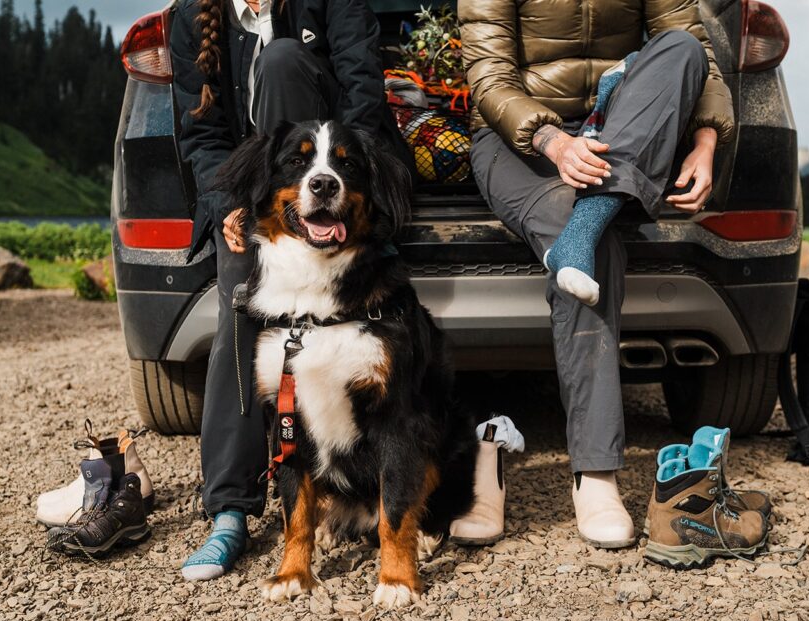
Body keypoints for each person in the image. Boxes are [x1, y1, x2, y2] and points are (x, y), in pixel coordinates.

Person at [460, 0, 735, 547]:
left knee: (679, 48)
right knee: (596, 244)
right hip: (520, 141)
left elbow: (694, 52)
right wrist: (554, 142)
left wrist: (706, 142)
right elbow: (489, 79)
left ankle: (587, 222)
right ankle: (596, 474)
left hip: (623, 132)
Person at [169, 0, 410, 581]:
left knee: (279, 59)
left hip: (336, 178)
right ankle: (229, 510)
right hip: (260, 202)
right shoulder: (189, 18)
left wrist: (350, 192)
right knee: (240, 314)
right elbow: (201, 135)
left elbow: (362, 94)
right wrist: (231, 206)